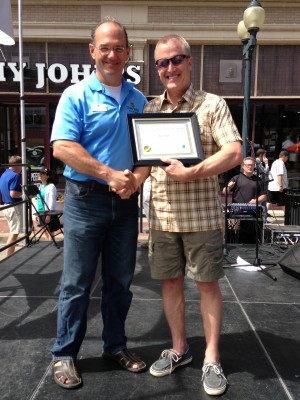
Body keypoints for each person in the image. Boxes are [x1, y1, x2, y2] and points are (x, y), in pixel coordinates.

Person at [140, 34, 242, 396]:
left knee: (206, 285)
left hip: (201, 217)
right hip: (164, 217)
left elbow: (233, 152)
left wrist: (192, 172)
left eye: (176, 60)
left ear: (190, 61)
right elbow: (143, 164)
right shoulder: (149, 111)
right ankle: (180, 349)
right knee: (169, 284)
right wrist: (119, 181)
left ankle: (211, 357)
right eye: (162, 63)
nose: (169, 68)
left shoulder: (212, 105)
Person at [50, 17, 148, 390]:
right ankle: (64, 354)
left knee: (120, 284)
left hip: (125, 205)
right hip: (85, 201)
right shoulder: (75, 96)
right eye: (104, 47)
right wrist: (110, 175)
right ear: (92, 51)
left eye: (118, 48)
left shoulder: (138, 99)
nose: (111, 54)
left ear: (128, 53)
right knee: (76, 283)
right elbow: (62, 148)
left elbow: (148, 152)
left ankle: (115, 346)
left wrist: (136, 178)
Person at [223, 157, 267, 244]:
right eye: (248, 165)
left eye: (251, 165)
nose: (249, 167)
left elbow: (264, 196)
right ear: (243, 166)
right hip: (236, 211)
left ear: (254, 166)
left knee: (251, 235)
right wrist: (229, 187)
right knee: (234, 234)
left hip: (253, 211)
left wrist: (256, 200)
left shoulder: (259, 180)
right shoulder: (236, 178)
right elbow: (225, 192)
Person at [0, 155, 23, 257]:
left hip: (6, 206)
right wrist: (23, 193)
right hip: (14, 207)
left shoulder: (4, 174)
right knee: (14, 233)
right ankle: (8, 258)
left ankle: (9, 255)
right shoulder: (15, 175)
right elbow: (13, 194)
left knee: (12, 232)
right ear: (18, 165)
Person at [35, 168, 59, 240]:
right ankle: (48, 241)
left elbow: (51, 201)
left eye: (43, 174)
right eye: (40, 174)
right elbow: (38, 199)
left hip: (48, 211)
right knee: (44, 228)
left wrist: (49, 214)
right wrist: (37, 212)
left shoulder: (51, 186)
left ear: (47, 176)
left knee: (50, 230)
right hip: (41, 210)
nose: (40, 175)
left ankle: (51, 243)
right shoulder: (39, 186)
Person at [255, 148, 269, 222]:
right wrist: (266, 163)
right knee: (263, 201)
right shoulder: (257, 162)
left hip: (260, 184)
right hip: (259, 185)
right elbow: (265, 172)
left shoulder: (258, 162)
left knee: (263, 201)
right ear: (261, 155)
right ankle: (264, 219)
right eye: (264, 155)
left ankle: (264, 218)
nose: (265, 157)